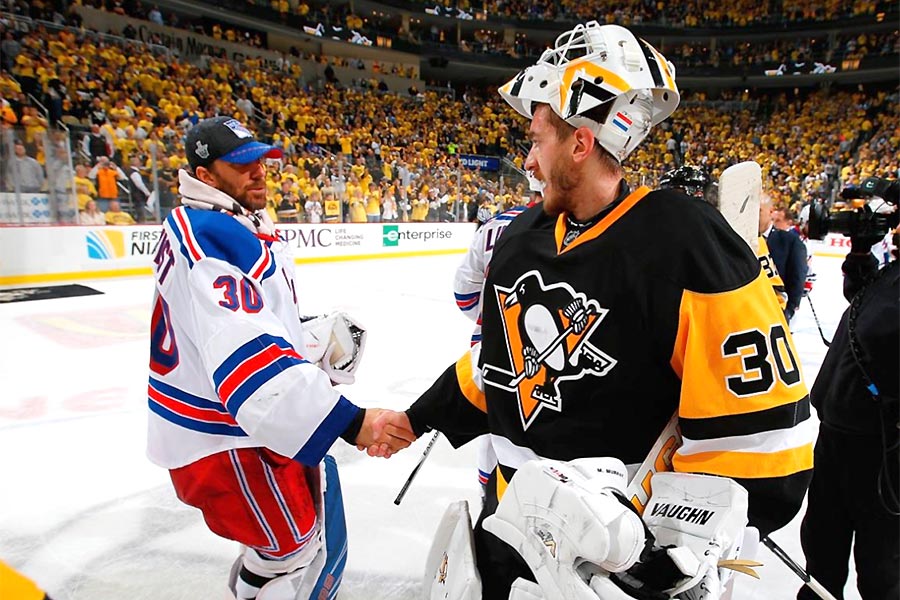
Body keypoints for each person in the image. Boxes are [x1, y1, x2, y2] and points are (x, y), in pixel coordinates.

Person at [374, 22, 813, 599]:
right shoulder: (523, 237)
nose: (528, 161)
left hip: (623, 553)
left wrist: (672, 552)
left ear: (580, 142)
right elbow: (500, 365)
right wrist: (421, 416)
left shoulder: (688, 246)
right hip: (511, 524)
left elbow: (765, 434)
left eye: (537, 139)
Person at [146, 116, 411, 600]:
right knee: (290, 551)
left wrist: (303, 338)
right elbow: (244, 354)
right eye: (241, 164)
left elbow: (232, 324)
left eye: (260, 160)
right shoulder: (214, 237)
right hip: (224, 437)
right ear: (205, 176)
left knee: (287, 546)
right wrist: (350, 423)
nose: (259, 172)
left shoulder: (213, 223)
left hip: (223, 424)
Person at [798, 193, 898, 599]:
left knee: (880, 570)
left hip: (883, 449)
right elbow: (859, 293)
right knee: (822, 552)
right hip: (837, 434)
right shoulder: (890, 278)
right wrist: (860, 247)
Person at [759, 195, 807, 322]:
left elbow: (797, 278)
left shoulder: (790, 241)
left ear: (771, 212)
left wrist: (789, 311)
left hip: (776, 311)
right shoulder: (741, 239)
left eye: (759, 211)